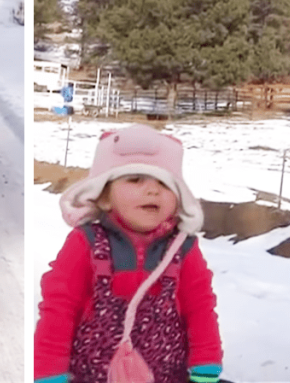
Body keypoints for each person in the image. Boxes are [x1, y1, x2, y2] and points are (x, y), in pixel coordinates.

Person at [35, 124, 223, 383]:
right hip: (92, 377)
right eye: (135, 180)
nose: (153, 190)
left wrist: (206, 365)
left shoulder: (182, 247)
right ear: (104, 198)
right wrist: (49, 372)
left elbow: (200, 307)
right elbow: (59, 308)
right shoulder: (86, 242)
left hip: (167, 377)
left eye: (164, 184)